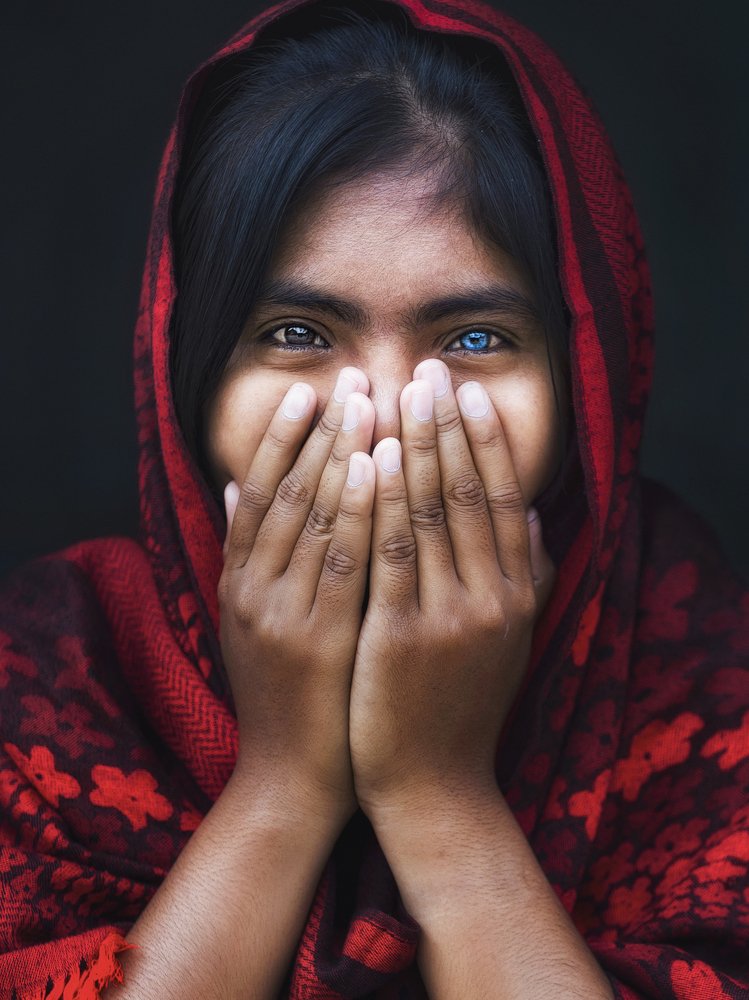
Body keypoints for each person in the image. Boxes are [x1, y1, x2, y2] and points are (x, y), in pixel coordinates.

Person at [0, 0, 747, 997]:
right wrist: (283, 783)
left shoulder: (701, 684)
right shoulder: (56, 679)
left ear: (585, 387)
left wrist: (438, 795)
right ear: (189, 372)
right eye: (297, 333)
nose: (388, 416)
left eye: (475, 339)